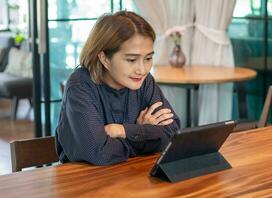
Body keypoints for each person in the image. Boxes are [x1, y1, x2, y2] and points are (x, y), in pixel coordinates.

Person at [55, 11, 180, 165]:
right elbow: (101, 153)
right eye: (132, 60)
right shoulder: (80, 86)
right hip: (85, 181)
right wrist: (142, 133)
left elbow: (173, 135)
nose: (142, 69)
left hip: (131, 176)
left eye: (148, 58)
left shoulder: (144, 81)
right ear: (105, 59)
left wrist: (123, 131)